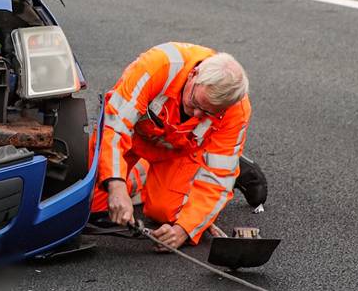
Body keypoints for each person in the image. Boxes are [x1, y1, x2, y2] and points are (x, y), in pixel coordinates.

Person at [91, 43, 257, 250]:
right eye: (195, 103)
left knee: (167, 213)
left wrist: (184, 230)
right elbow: (114, 128)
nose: (196, 115)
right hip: (133, 141)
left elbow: (219, 176)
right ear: (193, 75)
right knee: (91, 203)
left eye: (208, 113)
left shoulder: (237, 109)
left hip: (179, 151)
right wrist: (116, 184)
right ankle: (139, 174)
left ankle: (217, 164)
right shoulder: (157, 66)